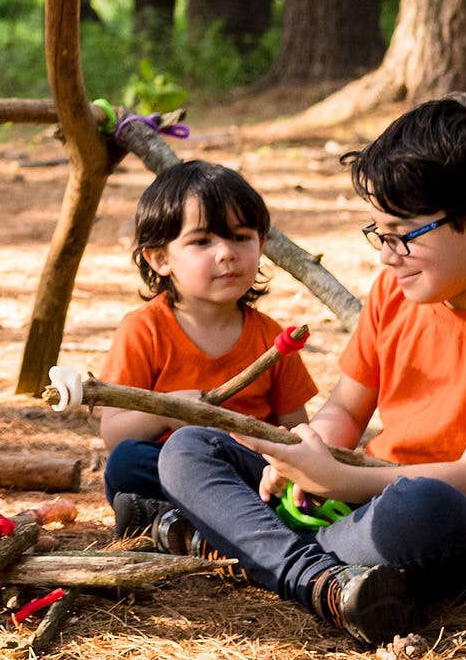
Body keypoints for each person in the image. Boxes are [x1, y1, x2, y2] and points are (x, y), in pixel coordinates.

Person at [146, 98, 466, 647]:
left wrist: (341, 480)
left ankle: (238, 548)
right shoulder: (394, 296)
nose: (386, 256)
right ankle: (319, 577)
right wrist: (305, 451)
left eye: (402, 234)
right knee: (188, 446)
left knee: (417, 507)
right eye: (377, 233)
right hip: (363, 497)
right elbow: (348, 406)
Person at [93, 159, 317, 537]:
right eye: (201, 242)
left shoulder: (271, 338)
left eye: (241, 237)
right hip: (170, 467)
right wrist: (168, 412)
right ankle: (185, 525)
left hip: (247, 474)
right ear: (160, 259)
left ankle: (186, 528)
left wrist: (283, 467)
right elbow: (114, 431)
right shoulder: (144, 329)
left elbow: (296, 428)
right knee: (127, 462)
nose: (226, 253)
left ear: (261, 243)